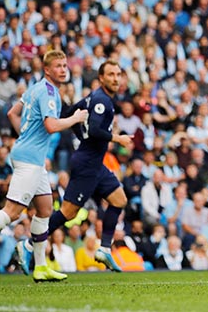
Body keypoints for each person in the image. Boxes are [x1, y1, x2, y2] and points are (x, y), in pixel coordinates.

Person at [0, 50, 87, 282]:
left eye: (65, 66)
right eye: (58, 66)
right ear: (47, 70)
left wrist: (25, 136)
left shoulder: (34, 88)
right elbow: (51, 126)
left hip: (29, 155)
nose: (64, 70)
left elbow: (13, 112)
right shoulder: (49, 93)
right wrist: (75, 118)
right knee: (12, 212)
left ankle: (41, 266)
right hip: (30, 160)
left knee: (45, 209)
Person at [22, 61, 133, 273]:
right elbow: (96, 130)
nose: (116, 78)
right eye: (111, 74)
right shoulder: (102, 101)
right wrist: (117, 138)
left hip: (94, 162)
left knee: (119, 199)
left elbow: (72, 116)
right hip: (87, 164)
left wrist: (82, 138)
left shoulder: (94, 97)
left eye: (118, 74)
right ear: (101, 78)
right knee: (67, 213)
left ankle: (105, 249)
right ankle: (28, 244)